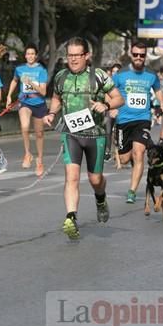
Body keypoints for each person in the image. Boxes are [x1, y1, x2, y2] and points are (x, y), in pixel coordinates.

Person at [44, 37, 124, 239]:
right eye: (69, 55)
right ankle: (71, 217)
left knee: (95, 179)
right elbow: (56, 98)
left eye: (76, 55)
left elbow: (119, 98)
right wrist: (52, 114)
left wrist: (105, 106)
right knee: (71, 178)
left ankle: (100, 198)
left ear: (86, 56)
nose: (72, 59)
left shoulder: (98, 76)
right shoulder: (61, 76)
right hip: (71, 135)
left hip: (95, 136)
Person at [113, 42, 163, 204]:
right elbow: (110, 92)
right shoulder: (120, 74)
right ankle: (130, 159)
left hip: (142, 119)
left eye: (142, 55)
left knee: (139, 153)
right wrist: (111, 107)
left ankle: (132, 191)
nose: (138, 58)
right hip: (123, 120)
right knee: (123, 159)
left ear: (145, 56)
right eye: (135, 55)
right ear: (131, 54)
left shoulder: (151, 74)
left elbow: (157, 90)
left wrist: (162, 104)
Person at [6, 44, 48, 176]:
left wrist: (30, 83)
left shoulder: (41, 70)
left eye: (32, 54)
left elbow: (43, 91)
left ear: (36, 55)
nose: (30, 56)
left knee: (39, 133)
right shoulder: (20, 69)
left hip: (39, 103)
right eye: (28, 54)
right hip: (24, 102)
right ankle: (27, 154)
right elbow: (14, 80)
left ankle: (40, 160)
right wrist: (8, 95)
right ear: (25, 56)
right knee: (24, 127)